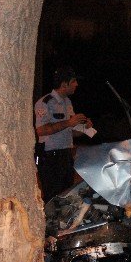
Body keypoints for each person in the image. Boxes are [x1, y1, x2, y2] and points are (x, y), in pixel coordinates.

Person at [35, 67, 92, 202]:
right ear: (64, 84)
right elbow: (41, 130)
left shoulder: (68, 102)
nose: (76, 84)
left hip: (66, 156)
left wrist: (85, 128)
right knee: (53, 198)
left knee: (67, 196)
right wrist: (69, 122)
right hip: (50, 157)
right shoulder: (45, 102)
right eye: (73, 81)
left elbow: (71, 131)